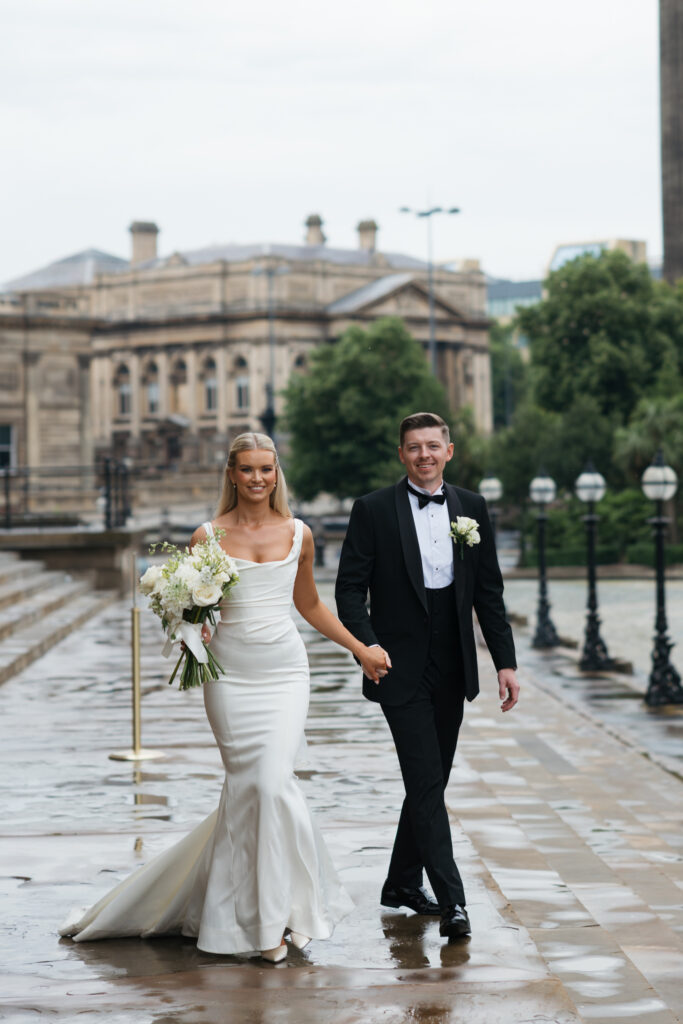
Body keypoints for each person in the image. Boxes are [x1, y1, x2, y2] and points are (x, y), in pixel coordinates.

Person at [61, 432, 390, 963]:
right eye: (247, 470)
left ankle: (274, 916)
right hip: (230, 678)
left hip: (285, 673)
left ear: (276, 473)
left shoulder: (299, 534)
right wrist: (197, 627)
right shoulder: (206, 536)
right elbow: (194, 612)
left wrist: (361, 647)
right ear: (231, 475)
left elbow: (309, 605)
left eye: (266, 469)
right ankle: (263, 922)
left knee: (271, 784)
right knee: (252, 787)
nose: (258, 479)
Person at [335, 412, 519, 941]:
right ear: (401, 454)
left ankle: (399, 884)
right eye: (414, 447)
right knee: (425, 782)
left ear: (449, 451)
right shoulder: (371, 510)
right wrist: (365, 645)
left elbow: (489, 593)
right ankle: (454, 902)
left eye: (433, 446)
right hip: (396, 666)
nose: (424, 455)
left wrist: (504, 662)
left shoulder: (472, 508)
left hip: (453, 663)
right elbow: (350, 589)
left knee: (429, 781)